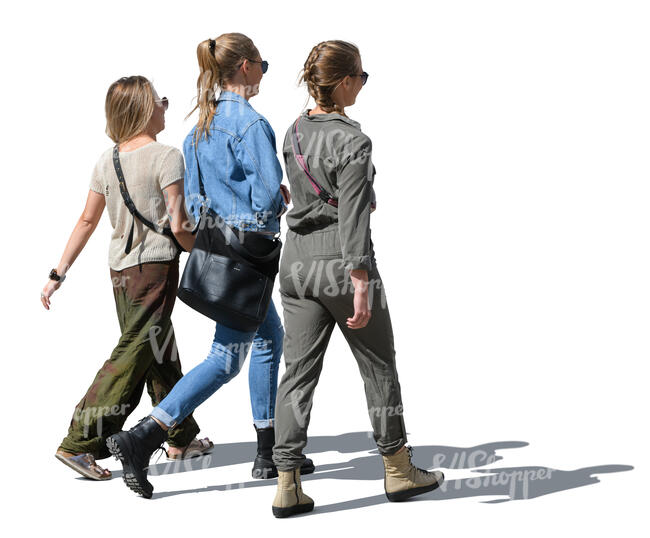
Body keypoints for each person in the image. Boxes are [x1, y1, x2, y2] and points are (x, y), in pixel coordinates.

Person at [107, 33, 314, 499]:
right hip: (251, 256)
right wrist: (276, 203)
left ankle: (269, 449)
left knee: (268, 339)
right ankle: (143, 437)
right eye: (262, 63)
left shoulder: (195, 128)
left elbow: (196, 205)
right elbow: (263, 197)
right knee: (226, 359)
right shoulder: (252, 124)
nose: (263, 71)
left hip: (217, 252)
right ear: (243, 66)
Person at [270, 40, 445, 518]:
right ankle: (398, 468)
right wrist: (361, 281)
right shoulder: (354, 140)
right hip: (338, 265)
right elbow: (353, 221)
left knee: (297, 374)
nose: (363, 83)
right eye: (361, 76)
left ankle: (287, 483)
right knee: (377, 366)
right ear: (343, 82)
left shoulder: (293, 131)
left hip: (295, 264)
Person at [42, 75, 213, 481]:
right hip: (154, 269)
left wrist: (58, 272)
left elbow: (87, 220)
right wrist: (210, 248)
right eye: (161, 101)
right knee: (133, 354)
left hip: (120, 272)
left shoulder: (108, 159)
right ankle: (79, 442)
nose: (165, 107)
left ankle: (179, 434)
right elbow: (180, 224)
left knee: (158, 349)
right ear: (142, 109)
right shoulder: (167, 156)